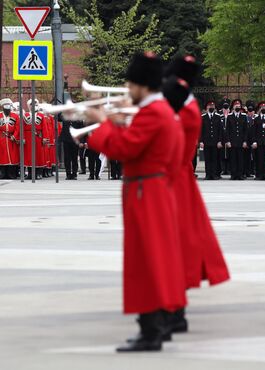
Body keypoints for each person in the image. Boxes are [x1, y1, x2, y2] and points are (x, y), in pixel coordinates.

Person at [84, 52, 187, 352]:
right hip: (150, 189)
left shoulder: (154, 113)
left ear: (143, 84)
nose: (128, 88)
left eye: (131, 83)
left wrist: (102, 123)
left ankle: (151, 329)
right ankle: (156, 323)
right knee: (154, 258)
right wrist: (116, 122)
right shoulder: (159, 111)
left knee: (146, 260)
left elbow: (124, 149)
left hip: (146, 192)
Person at [163, 55, 230, 329]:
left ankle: (173, 310)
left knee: (171, 247)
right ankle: (173, 307)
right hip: (178, 180)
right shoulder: (184, 104)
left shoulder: (182, 108)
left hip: (174, 182)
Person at [225, 99, 249, 180]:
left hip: (241, 141)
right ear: (233, 107)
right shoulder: (229, 116)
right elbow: (227, 130)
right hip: (232, 141)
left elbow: (246, 130)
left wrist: (245, 141)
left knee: (241, 159)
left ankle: (240, 174)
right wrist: (227, 141)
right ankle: (233, 174)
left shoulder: (243, 116)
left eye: (239, 106)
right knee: (233, 159)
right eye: (236, 106)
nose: (238, 107)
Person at [200, 101, 223, 180]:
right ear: (207, 108)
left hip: (215, 141)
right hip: (206, 141)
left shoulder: (217, 116)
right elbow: (201, 130)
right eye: (210, 106)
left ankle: (213, 174)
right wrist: (201, 141)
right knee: (207, 159)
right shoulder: (203, 117)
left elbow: (220, 130)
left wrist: (219, 141)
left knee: (214, 159)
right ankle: (208, 174)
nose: (211, 108)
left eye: (212, 106)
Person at [251, 102, 265, 180]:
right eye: (262, 108)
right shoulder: (256, 119)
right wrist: (254, 141)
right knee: (259, 159)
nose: (263, 109)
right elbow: (254, 131)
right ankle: (259, 174)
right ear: (260, 109)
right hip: (259, 142)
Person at [0, 99, 20, 179]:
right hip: (2, 138)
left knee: (13, 157)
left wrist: (14, 136)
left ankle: (11, 174)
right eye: (6, 107)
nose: (7, 109)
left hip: (12, 139)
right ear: (2, 107)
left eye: (9, 107)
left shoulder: (15, 116)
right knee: (2, 157)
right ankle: (3, 174)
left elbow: (18, 127)